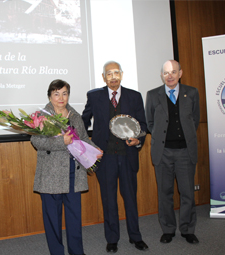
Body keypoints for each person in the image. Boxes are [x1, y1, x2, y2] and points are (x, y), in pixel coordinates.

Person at [82, 61, 148, 253]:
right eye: (109, 74)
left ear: (122, 74)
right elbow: (83, 123)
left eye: (116, 73)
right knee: (109, 200)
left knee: (130, 199)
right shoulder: (94, 96)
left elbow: (142, 126)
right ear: (104, 77)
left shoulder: (134, 97)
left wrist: (138, 139)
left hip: (128, 156)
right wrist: (87, 147)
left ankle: (135, 237)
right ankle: (112, 239)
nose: (113, 77)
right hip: (105, 157)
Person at [31, 79, 103, 255]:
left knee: (74, 219)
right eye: (56, 94)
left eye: (64, 93)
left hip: (74, 174)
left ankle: (77, 252)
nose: (61, 97)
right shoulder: (41, 116)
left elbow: (83, 139)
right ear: (50, 96)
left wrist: (95, 150)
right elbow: (36, 141)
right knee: (52, 221)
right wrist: (60, 142)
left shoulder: (75, 116)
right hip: (51, 176)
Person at [145, 60, 200, 244]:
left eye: (173, 72)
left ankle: (187, 229)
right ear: (162, 75)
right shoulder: (153, 95)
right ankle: (168, 229)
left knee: (187, 194)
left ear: (180, 73)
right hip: (163, 152)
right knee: (165, 193)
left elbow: (195, 119)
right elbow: (150, 123)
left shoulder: (191, 93)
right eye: (166, 72)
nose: (170, 75)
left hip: (185, 152)